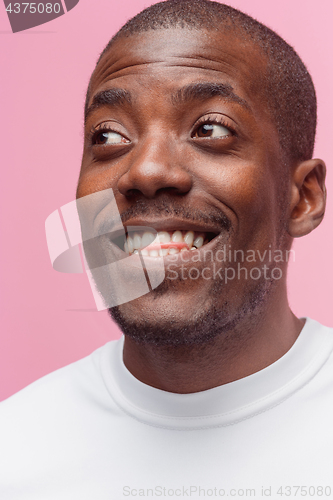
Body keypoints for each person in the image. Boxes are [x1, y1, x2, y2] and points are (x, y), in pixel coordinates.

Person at [1, 1, 332, 498]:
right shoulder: (14, 453)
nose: (147, 171)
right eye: (109, 136)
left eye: (211, 129)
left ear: (302, 198)